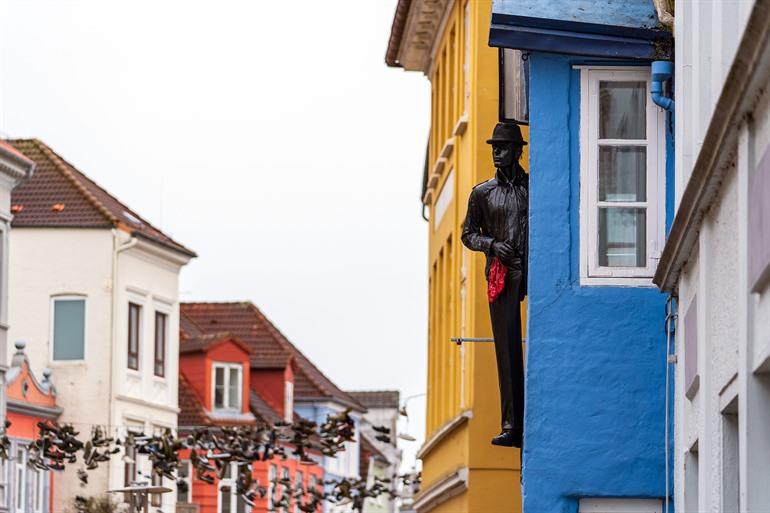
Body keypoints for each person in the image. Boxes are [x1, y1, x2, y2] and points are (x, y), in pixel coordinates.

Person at [461, 121, 528, 448]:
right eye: (493, 147)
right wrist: (490, 244)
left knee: (540, 342)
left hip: (532, 270)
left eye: (502, 147)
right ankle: (512, 425)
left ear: (518, 152)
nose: (497, 153)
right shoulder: (482, 193)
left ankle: (529, 418)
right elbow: (467, 234)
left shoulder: (533, 188)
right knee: (506, 349)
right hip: (502, 274)